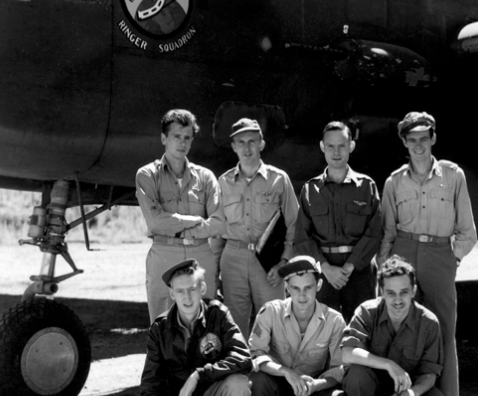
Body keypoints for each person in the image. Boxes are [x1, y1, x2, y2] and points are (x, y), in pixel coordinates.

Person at [377, 111, 477, 396]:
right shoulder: (394, 181)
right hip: (402, 254)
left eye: (424, 138)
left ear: (433, 139)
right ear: (404, 143)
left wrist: (451, 260)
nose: (418, 145)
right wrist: (385, 268)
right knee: (398, 334)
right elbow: (387, 232)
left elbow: (467, 231)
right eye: (412, 139)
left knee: (444, 336)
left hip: (438, 257)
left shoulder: (453, 175)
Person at [122, 259, 258, 396]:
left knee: (239, 384)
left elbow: (243, 357)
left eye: (192, 289)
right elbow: (151, 379)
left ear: (202, 288)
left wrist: (200, 374)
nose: (187, 297)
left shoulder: (218, 314)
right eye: (180, 291)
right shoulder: (160, 327)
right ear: (172, 294)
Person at [341, 255, 450, 396]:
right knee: (356, 373)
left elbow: (430, 372)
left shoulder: (428, 323)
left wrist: (414, 392)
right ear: (381, 292)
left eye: (404, 292)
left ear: (414, 291)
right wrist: (389, 365)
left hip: (404, 395)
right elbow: (346, 353)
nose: (398, 300)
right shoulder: (367, 311)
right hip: (369, 392)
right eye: (390, 293)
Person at [248, 255, 349, 396]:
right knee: (256, 381)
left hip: (313, 389)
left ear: (319, 285)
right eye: (295, 288)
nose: (302, 295)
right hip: (280, 387)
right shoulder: (270, 312)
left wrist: (317, 384)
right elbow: (255, 354)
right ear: (286, 287)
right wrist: (285, 372)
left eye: (308, 288)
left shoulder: (334, 320)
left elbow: (340, 368)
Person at [136, 109, 223, 322]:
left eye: (187, 138)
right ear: (164, 138)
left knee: (203, 327)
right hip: (164, 253)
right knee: (162, 326)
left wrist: (175, 224)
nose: (182, 143)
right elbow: (155, 222)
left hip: (200, 255)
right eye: (176, 136)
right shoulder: (147, 175)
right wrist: (193, 221)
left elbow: (219, 223)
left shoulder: (206, 177)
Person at [216, 118, 299, 339]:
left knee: (274, 321)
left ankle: (272, 372)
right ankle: (239, 370)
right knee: (234, 325)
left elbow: (294, 224)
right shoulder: (223, 183)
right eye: (241, 142)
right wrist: (214, 272)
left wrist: (284, 263)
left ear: (261, 144)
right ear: (233, 146)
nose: (247, 147)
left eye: (252, 141)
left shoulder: (279, 179)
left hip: (269, 261)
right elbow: (216, 232)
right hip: (233, 257)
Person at [295, 121, 383, 323]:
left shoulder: (366, 187)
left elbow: (375, 232)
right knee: (323, 332)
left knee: (362, 329)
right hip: (324, 273)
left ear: (351, 147)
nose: (336, 152)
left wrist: (350, 267)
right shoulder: (310, 190)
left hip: (359, 272)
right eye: (330, 146)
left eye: (342, 145)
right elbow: (302, 238)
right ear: (322, 147)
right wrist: (325, 268)